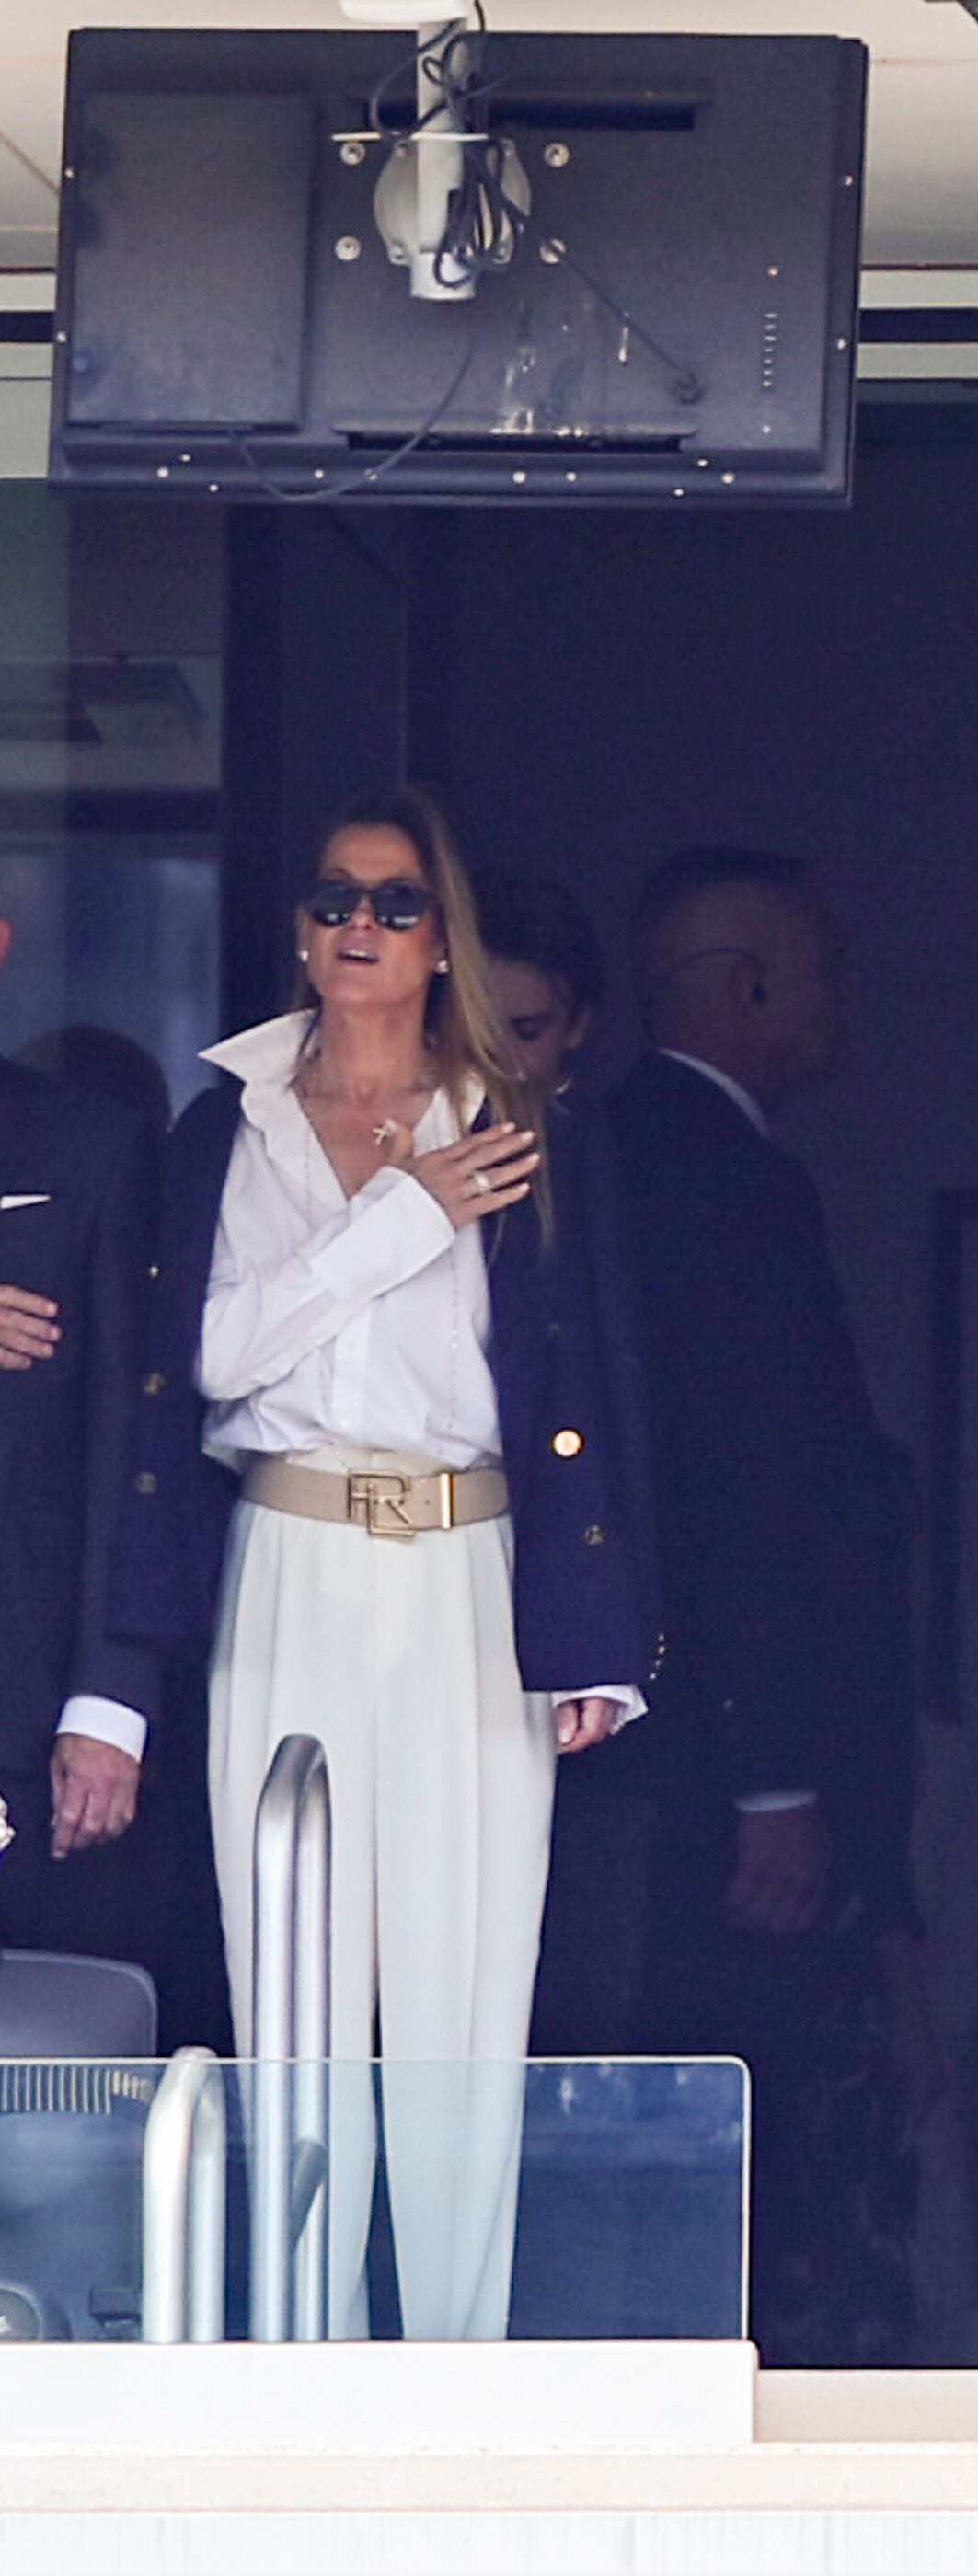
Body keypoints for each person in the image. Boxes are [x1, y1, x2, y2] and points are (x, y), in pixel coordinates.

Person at [107, 788, 657, 2340]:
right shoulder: (231, 1120)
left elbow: (589, 1387)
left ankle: (458, 2356)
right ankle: (309, 2345)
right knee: (291, 1964)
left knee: (468, 1974)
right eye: (336, 901)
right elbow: (204, 1359)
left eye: (396, 904)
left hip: (469, 1562)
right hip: (286, 1547)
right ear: (300, 929)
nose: (361, 927)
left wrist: (596, 1636)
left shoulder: (518, 1124)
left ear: (440, 937)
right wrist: (398, 1217)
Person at [585, 846, 918, 2358]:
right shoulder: (720, 1179)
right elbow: (753, 1499)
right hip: (722, 1765)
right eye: (823, 972)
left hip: (659, 1748)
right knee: (752, 2101)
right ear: (754, 987)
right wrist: (776, 1769)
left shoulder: (614, 1152)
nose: (840, 1007)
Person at [0, 904, 172, 1977]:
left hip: (22, 1692)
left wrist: (112, 1699)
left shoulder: (86, 1141)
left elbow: (131, 1432)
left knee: (47, 2081)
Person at [467, 865, 606, 1097]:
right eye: (477, 1035)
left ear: (577, 1026)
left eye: (527, 1032)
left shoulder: (612, 1130)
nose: (499, 1062)